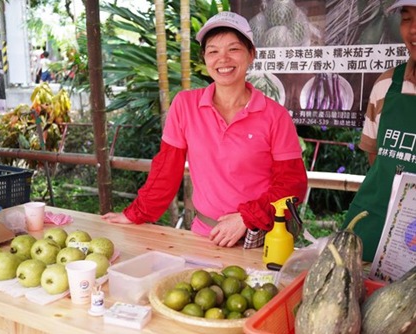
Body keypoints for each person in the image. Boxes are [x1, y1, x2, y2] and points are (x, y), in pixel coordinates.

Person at [102, 11, 308, 248]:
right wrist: (135, 213)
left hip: (262, 239)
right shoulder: (185, 105)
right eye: (213, 51)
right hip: (204, 236)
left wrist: (247, 217)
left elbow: (292, 184)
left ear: (251, 54)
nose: (223, 59)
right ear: (205, 59)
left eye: (234, 49)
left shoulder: (275, 115)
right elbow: (166, 169)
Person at [343, 0, 416, 262]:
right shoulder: (386, 85)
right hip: (374, 225)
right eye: (407, 19)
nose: (413, 30)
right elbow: (376, 157)